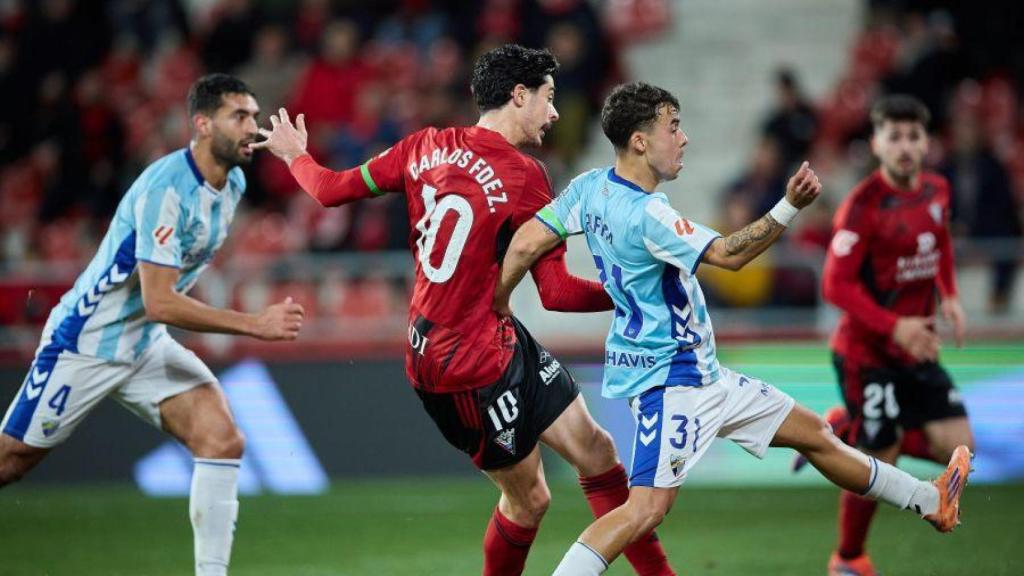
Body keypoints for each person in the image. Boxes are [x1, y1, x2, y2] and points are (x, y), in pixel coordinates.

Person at [491, 82, 972, 576]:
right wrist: (788, 206)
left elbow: (526, 241)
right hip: (671, 383)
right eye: (673, 127)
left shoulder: (590, 187)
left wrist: (498, 301)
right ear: (639, 141)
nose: (683, 138)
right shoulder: (650, 215)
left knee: (816, 435)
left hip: (703, 375)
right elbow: (730, 254)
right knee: (644, 510)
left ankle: (930, 500)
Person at [252, 45, 676, 576]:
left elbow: (331, 190)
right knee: (530, 500)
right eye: (547, 98)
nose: (554, 113)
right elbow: (556, 293)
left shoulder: (423, 146)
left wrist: (295, 155)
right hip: (462, 370)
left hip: (491, 334)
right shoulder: (525, 175)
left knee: (597, 450)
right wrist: (637, 290)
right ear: (518, 95)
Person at [0, 74, 306, 576]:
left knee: (221, 438)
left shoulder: (233, 184)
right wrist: (254, 324)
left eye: (254, 115)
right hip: (87, 341)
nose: (253, 127)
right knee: (10, 461)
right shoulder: (167, 189)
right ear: (202, 125)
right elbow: (160, 300)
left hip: (143, 341)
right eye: (239, 116)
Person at [808, 94, 976, 576]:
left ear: (927, 143)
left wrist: (949, 294)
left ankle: (846, 428)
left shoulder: (938, 190)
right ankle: (848, 559)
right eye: (894, 136)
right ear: (877, 144)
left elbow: (939, 243)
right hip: (867, 352)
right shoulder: (862, 207)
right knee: (880, 456)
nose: (904, 146)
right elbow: (834, 285)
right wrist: (895, 326)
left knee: (958, 445)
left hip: (916, 349)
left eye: (913, 136)